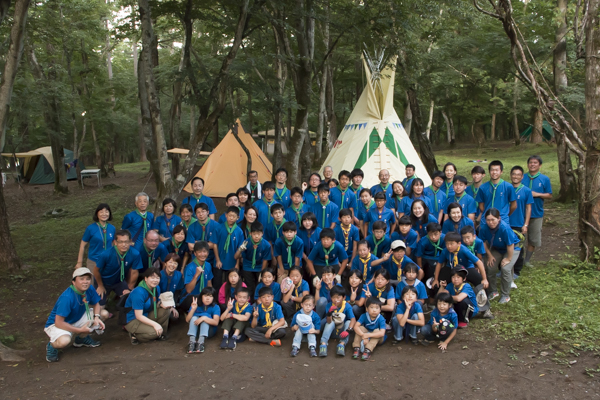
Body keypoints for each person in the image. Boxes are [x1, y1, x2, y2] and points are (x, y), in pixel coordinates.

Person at [45, 268, 106, 363]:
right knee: (64, 341)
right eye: (81, 279)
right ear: (73, 281)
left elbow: (96, 303)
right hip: (58, 324)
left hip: (77, 317)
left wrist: (97, 317)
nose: (85, 282)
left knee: (103, 314)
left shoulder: (89, 288)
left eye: (88, 279)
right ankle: (52, 346)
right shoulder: (67, 298)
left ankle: (81, 339)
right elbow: (58, 322)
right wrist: (79, 330)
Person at [94, 230, 143, 318]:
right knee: (100, 309)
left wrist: (129, 288)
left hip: (118, 281)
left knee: (130, 299)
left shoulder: (135, 254)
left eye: (126, 242)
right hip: (103, 281)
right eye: (121, 242)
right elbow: (96, 271)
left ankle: (126, 322)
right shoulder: (106, 254)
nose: (124, 245)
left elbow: (134, 272)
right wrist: (100, 285)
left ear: (130, 242)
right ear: (115, 242)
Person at [479, 208, 520, 304]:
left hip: (512, 249)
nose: (491, 222)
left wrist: (508, 259)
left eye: (493, 219)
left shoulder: (505, 228)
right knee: (490, 266)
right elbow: (483, 242)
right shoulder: (484, 228)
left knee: (505, 268)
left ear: (499, 219)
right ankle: (493, 291)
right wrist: (489, 255)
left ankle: (505, 295)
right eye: (488, 220)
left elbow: (510, 244)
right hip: (496, 248)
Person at [125, 267, 171, 344]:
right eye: (152, 278)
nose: (155, 280)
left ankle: (161, 333)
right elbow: (138, 316)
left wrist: (163, 305)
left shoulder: (156, 288)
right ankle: (135, 335)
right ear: (146, 278)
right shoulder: (139, 292)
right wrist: (155, 324)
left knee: (166, 311)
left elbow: (155, 303)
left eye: (157, 278)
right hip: (133, 320)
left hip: (146, 314)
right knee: (153, 333)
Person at [521, 155, 552, 267]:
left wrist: (537, 194)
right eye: (530, 162)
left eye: (535, 163)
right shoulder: (522, 177)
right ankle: (518, 260)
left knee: (533, 238)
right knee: (519, 238)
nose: (532, 164)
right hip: (521, 213)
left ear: (540, 165)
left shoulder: (544, 179)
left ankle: (527, 260)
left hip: (536, 213)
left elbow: (549, 195)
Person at [235, 222, 272, 300]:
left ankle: (257, 303)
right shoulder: (246, 242)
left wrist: (262, 273)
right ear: (250, 233)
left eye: (258, 234)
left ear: (262, 233)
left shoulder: (266, 245)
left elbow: (265, 260)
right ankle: (250, 303)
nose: (256, 236)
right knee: (249, 287)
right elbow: (236, 257)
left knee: (259, 285)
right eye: (254, 234)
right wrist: (240, 250)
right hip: (247, 266)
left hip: (259, 267)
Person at [76, 203, 116, 272]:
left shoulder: (112, 228)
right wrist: (79, 263)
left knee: (107, 282)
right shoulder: (90, 228)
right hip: (94, 261)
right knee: (93, 281)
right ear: (97, 214)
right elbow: (82, 245)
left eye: (106, 211)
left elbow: (114, 244)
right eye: (101, 212)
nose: (104, 214)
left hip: (108, 261)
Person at [509, 165, 533, 279]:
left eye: (518, 174)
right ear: (510, 175)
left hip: (519, 223)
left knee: (518, 248)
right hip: (507, 222)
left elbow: (528, 208)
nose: (515, 176)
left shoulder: (526, 190)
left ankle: (516, 271)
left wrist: (526, 224)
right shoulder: (507, 188)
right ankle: (505, 269)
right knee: (506, 246)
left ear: (522, 177)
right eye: (514, 174)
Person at [213, 206, 244, 291]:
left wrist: (237, 263)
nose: (231, 218)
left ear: (238, 218)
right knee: (217, 283)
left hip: (232, 261)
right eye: (229, 215)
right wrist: (218, 259)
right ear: (226, 215)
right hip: (219, 260)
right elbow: (215, 244)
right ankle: (217, 301)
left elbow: (239, 249)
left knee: (230, 284)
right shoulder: (219, 228)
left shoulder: (239, 231)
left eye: (234, 216)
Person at [319, 286, 356, 357]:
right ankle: (323, 344)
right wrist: (329, 313)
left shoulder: (347, 306)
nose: (336, 300)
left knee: (348, 322)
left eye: (338, 297)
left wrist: (348, 330)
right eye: (333, 297)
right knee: (331, 321)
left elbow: (353, 319)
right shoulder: (329, 305)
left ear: (344, 297)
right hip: (331, 331)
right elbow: (328, 321)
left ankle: (342, 344)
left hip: (342, 333)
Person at [180, 241, 214, 312]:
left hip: (202, 297)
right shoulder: (190, 267)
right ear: (195, 253)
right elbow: (188, 290)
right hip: (189, 298)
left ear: (208, 253)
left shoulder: (208, 265)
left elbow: (209, 284)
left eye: (204, 252)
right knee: (199, 299)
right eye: (199, 252)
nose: (202, 254)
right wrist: (196, 275)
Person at [415, 223, 445, 302]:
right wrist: (420, 268)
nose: (433, 237)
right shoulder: (423, 241)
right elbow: (419, 256)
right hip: (426, 259)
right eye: (431, 235)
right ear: (427, 233)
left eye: (436, 234)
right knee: (426, 275)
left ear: (440, 233)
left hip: (438, 259)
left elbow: (445, 252)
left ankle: (432, 298)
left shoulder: (444, 239)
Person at [185, 287, 220, 353]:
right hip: (196, 330)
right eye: (205, 296)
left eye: (210, 296)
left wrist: (204, 318)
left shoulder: (215, 307)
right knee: (194, 317)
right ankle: (191, 342)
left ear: (213, 298)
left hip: (209, 331)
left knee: (204, 319)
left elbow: (216, 322)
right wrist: (193, 309)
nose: (208, 298)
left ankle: (201, 343)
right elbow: (187, 320)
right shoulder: (196, 304)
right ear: (201, 296)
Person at [352, 297, 386, 361]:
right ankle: (356, 347)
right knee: (360, 328)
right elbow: (356, 326)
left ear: (380, 310)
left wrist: (367, 336)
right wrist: (363, 335)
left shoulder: (381, 318)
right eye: (372, 307)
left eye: (377, 308)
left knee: (377, 331)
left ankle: (368, 350)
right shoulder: (364, 315)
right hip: (366, 334)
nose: (374, 310)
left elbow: (382, 333)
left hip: (377, 338)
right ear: (367, 309)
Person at [159, 254, 184, 319]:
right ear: (165, 263)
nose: (172, 265)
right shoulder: (159, 275)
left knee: (174, 317)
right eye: (170, 262)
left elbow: (177, 292)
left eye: (175, 263)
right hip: (160, 301)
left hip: (171, 300)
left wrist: (173, 306)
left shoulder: (178, 275)